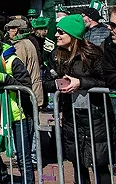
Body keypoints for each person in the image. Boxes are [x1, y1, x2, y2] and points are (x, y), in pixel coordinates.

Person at [42, 14, 114, 184]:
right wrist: (61, 84)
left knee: (100, 162)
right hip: (70, 117)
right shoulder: (55, 56)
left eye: (61, 32)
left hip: (96, 116)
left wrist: (81, 83)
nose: (56, 35)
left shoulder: (92, 53)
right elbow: (46, 82)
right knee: (77, 162)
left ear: (73, 35)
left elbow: (105, 80)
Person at [0, 30, 35, 184]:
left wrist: (5, 78)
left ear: (0, 44)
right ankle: (1, 175)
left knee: (23, 156)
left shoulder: (13, 60)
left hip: (19, 114)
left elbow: (26, 87)